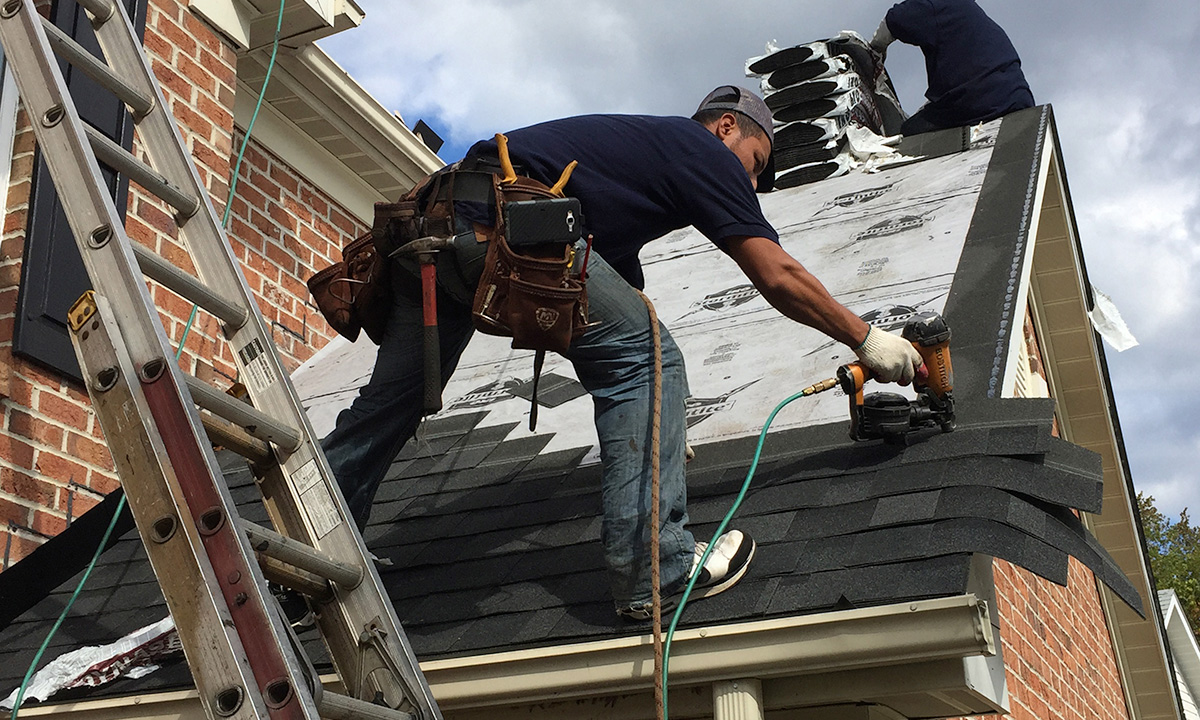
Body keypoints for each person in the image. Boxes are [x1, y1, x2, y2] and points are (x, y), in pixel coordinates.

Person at [321, 86, 923, 621]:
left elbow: (615, 311)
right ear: (725, 128)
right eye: (756, 163)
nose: (753, 184)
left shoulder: (629, 175)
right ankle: (657, 572)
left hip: (432, 230)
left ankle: (318, 544)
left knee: (389, 404)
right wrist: (867, 338)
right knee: (649, 359)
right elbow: (776, 273)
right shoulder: (699, 150)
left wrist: (660, 415)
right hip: (504, 222)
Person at [869, 0, 1035, 136]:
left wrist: (874, 50)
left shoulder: (931, 5)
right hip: (1017, 97)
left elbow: (894, 20)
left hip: (980, 101)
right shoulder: (965, 9)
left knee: (908, 133)